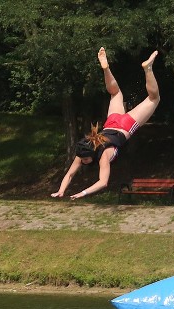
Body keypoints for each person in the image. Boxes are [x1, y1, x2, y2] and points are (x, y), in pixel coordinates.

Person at [51, 47, 160, 200]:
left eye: (85, 160)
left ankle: (148, 69)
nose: (83, 162)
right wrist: (61, 190)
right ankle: (106, 68)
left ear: (91, 153)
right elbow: (70, 174)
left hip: (125, 126)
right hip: (111, 122)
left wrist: (82, 193)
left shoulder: (103, 156)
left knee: (154, 99)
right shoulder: (84, 148)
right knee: (115, 93)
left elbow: (103, 182)